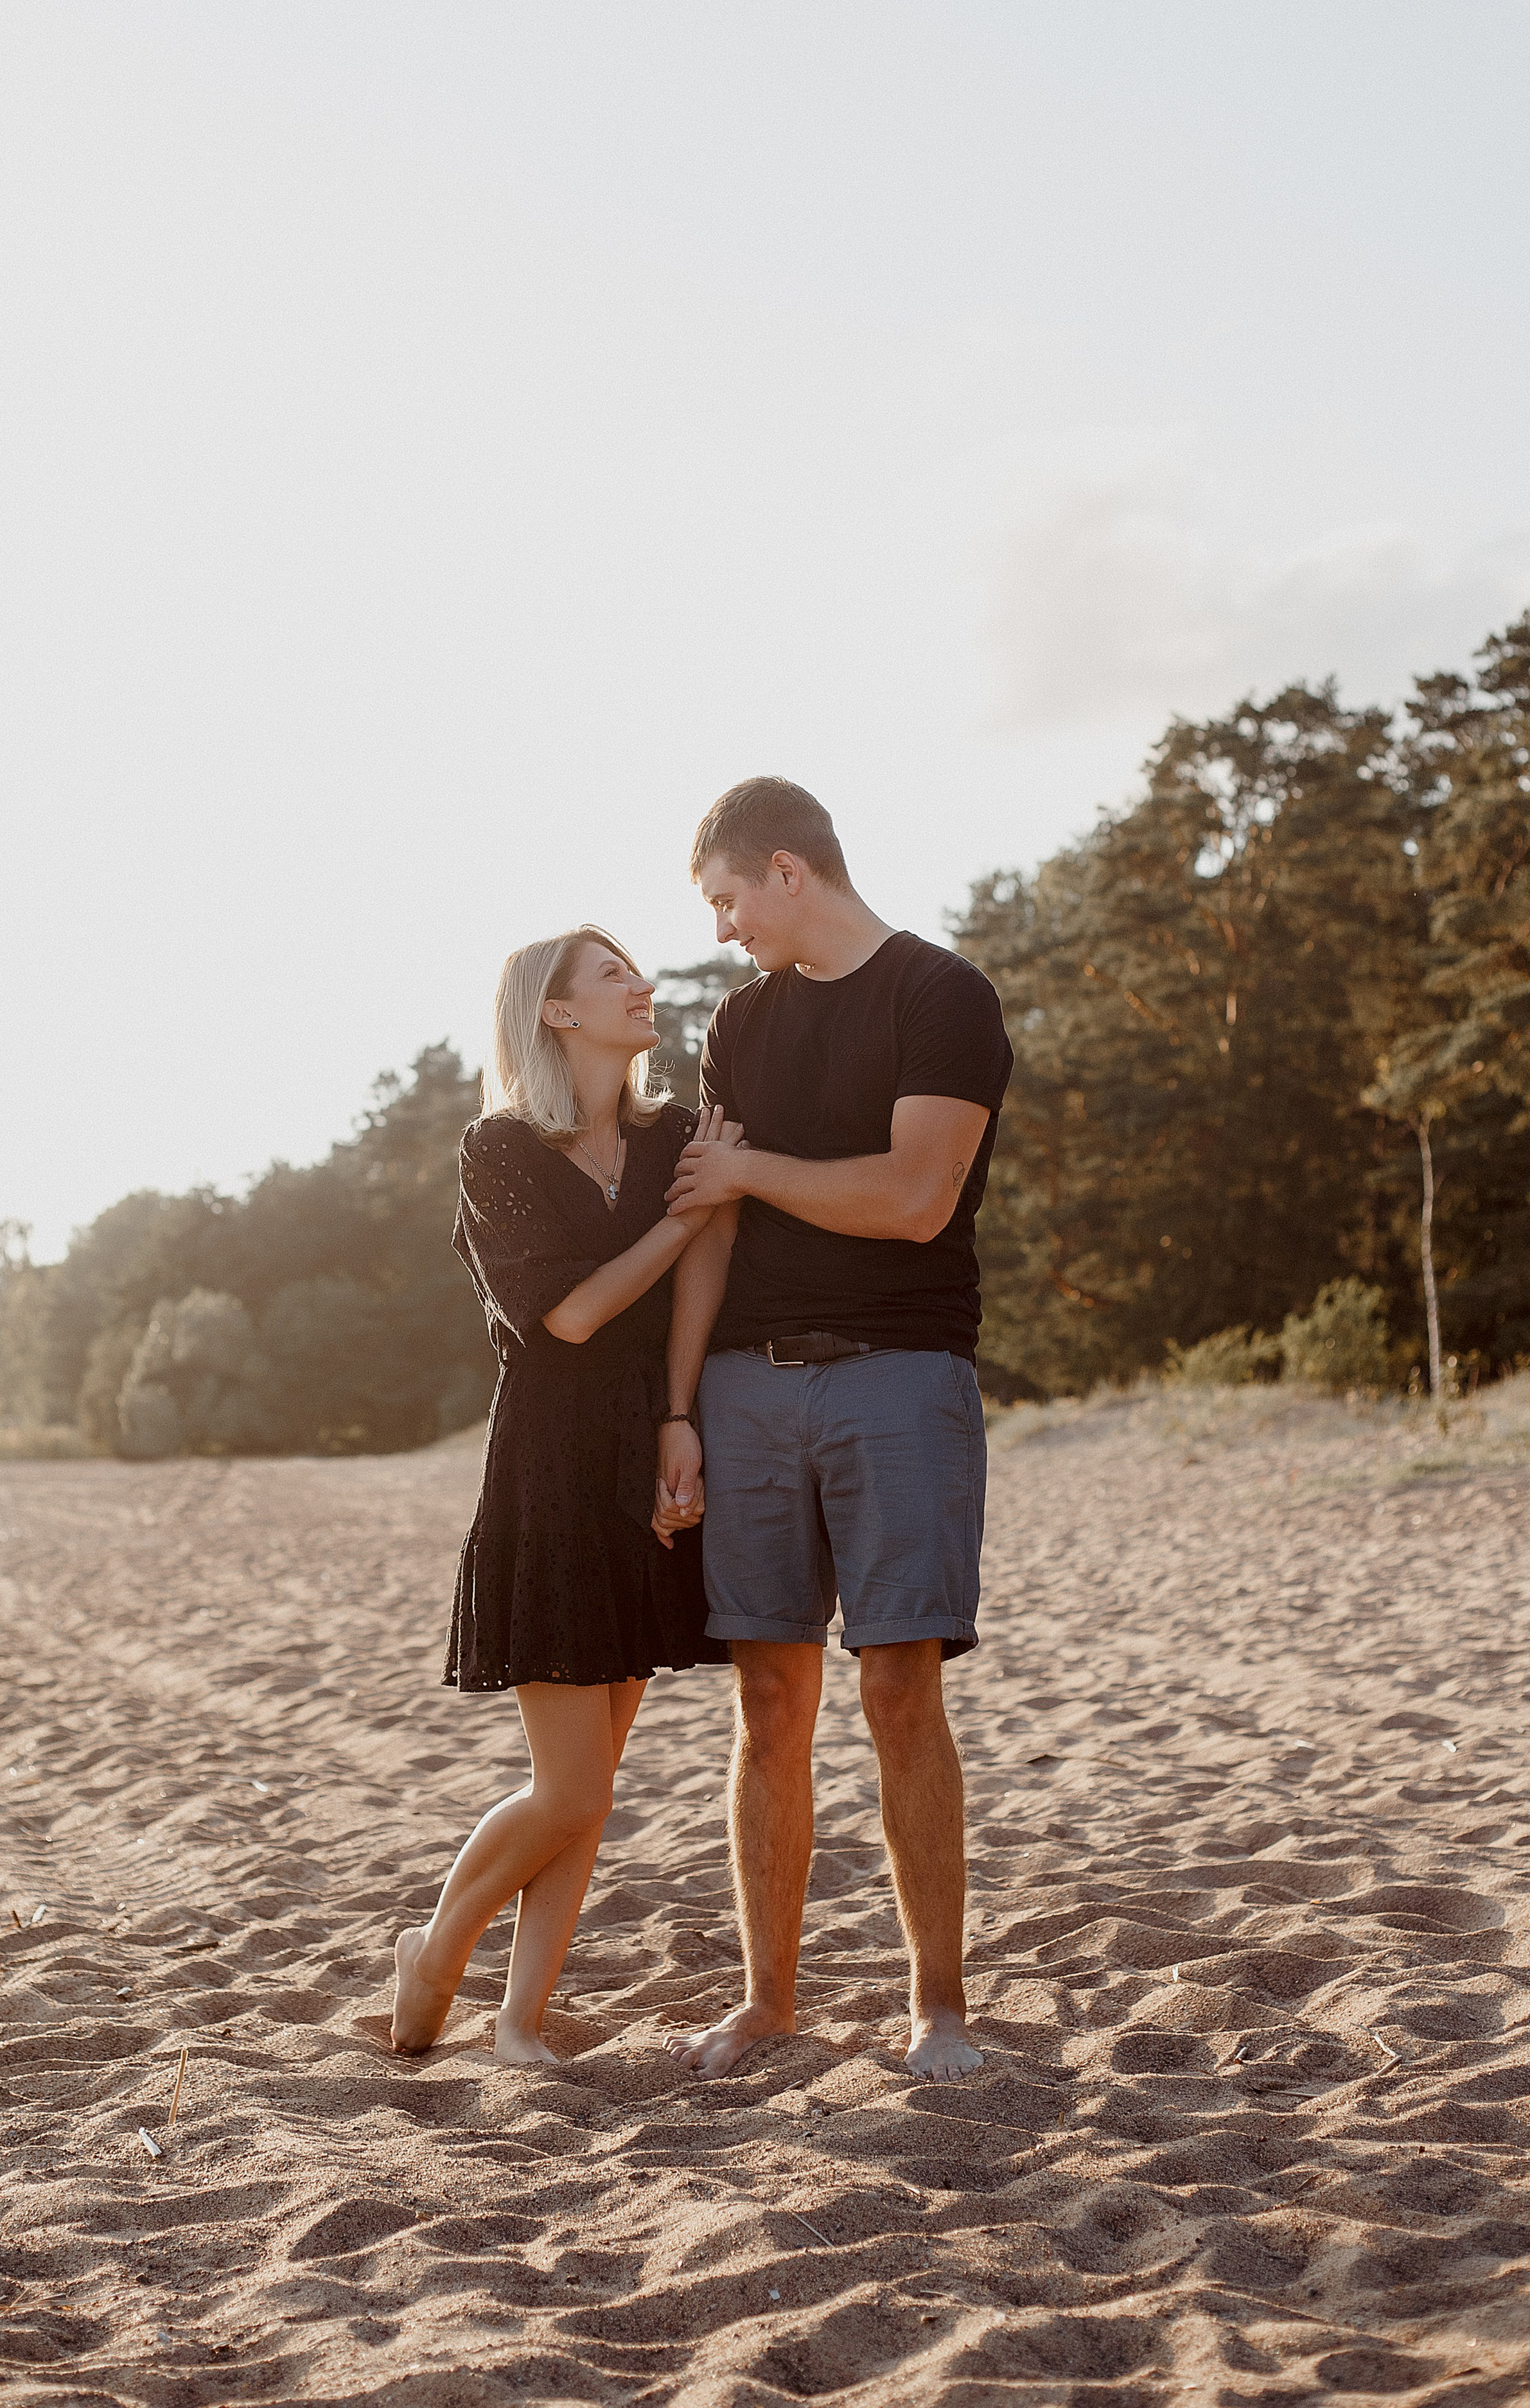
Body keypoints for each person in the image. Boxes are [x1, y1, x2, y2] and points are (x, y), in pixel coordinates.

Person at [656, 780, 1013, 2083]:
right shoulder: (738, 1025)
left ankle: (937, 2010)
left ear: (788, 870)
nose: (722, 929)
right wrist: (678, 1408)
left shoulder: (941, 995)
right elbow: (711, 1223)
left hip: (899, 1377)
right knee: (766, 1698)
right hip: (744, 1389)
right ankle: (768, 2003)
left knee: (898, 1689)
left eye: (727, 899)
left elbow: (916, 1199)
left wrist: (751, 1170)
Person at [390, 926, 732, 2059]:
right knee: (573, 1790)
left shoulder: (674, 1134)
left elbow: (705, 1272)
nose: (643, 985)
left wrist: (679, 1419)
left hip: (647, 1446)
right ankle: (435, 1950)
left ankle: (519, 2019)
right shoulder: (499, 1150)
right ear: (556, 1011)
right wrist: (686, 1214)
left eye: (636, 970)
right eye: (613, 975)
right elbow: (572, 1317)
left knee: (593, 1779)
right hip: (549, 1468)